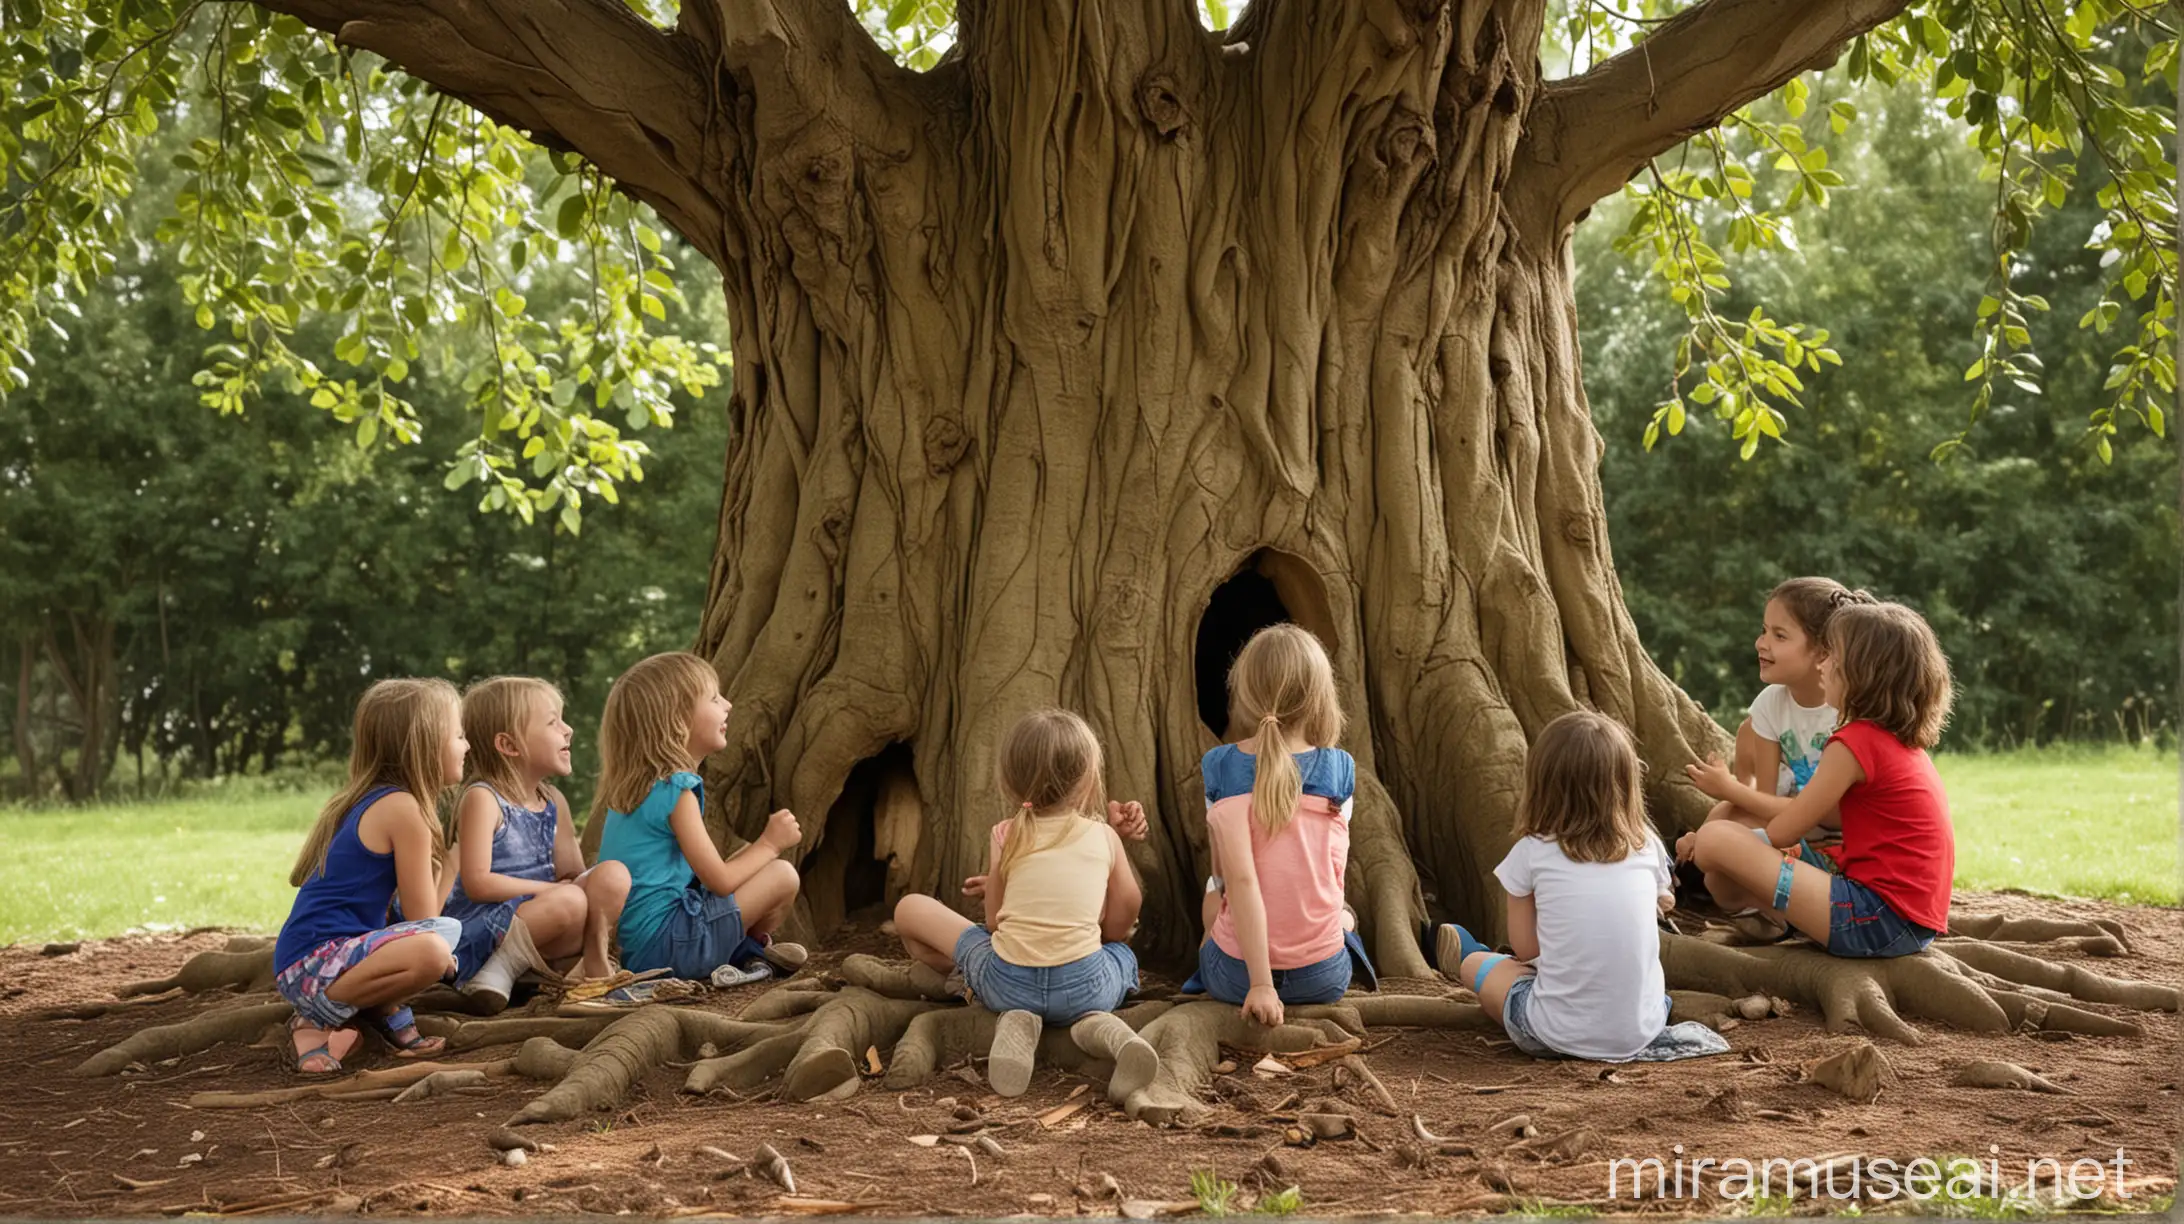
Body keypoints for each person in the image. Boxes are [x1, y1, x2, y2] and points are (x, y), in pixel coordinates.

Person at [891, 709, 1155, 1099]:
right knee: (1121, 954)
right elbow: (1128, 904)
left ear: (1011, 781)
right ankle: (1102, 1028)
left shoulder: (1006, 834)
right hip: (1086, 987)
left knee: (909, 909)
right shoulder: (1104, 836)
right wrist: (1104, 936)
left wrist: (1006, 888)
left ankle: (1016, 1020)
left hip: (1006, 984)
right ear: (1086, 780)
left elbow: (996, 923)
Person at [1678, 601, 1955, 959]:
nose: (1821, 665)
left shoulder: (1852, 743)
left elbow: (1781, 833)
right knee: (1724, 840)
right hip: (1906, 921)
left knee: (1716, 839)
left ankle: (1782, 918)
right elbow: (1830, 819)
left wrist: (1705, 844)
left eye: (1831, 656)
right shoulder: (1890, 738)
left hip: (1876, 919)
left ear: (1862, 673)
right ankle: (1778, 920)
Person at [1431, 711, 1678, 1060]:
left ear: (1541, 784)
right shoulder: (1646, 845)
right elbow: (1664, 898)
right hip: (1644, 1027)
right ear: (1626, 784)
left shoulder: (1531, 853)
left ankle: (1472, 952)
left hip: (1553, 1034)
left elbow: (1527, 947)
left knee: (1475, 967)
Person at [272, 678, 466, 1075]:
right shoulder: (402, 808)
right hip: (314, 964)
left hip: (306, 960)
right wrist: (452, 863)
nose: (466, 746)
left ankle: (372, 1013)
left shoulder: (374, 799)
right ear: (426, 744)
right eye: (459, 734)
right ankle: (314, 1022)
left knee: (433, 946)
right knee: (433, 950)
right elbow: (423, 921)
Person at [1195, 624, 1374, 1028]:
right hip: (1323, 977)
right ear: (1319, 697)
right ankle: (1342, 926)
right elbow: (1333, 866)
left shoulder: (1219, 766)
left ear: (1243, 692)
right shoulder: (1340, 767)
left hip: (1236, 978)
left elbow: (1229, 876)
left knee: (1213, 894)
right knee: (1344, 913)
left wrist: (1261, 985)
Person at [594, 653, 806, 984]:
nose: (728, 705)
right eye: (714, 697)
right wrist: (771, 843)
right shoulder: (675, 790)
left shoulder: (633, 791)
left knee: (751, 863)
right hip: (673, 947)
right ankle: (746, 949)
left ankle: (739, 947)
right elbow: (719, 881)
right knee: (781, 874)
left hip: (644, 950)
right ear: (678, 719)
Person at [440, 677, 631, 1010]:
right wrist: (551, 892)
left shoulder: (552, 799)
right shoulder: (484, 798)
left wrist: (573, 887)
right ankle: (497, 968)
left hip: (546, 919)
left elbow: (571, 873)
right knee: (570, 900)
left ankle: (594, 961)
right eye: (552, 721)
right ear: (509, 745)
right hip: (486, 929)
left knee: (612, 875)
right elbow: (477, 883)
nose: (567, 729)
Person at [1685, 579, 1871, 859]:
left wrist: (1729, 788)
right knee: (1725, 814)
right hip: (1791, 825)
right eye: (1764, 631)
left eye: (1779, 636)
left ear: (1823, 652)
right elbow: (1764, 798)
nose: (1761, 643)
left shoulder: (1849, 709)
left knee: (1723, 829)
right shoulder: (1769, 704)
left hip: (1842, 836)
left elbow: (1829, 815)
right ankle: (1692, 865)